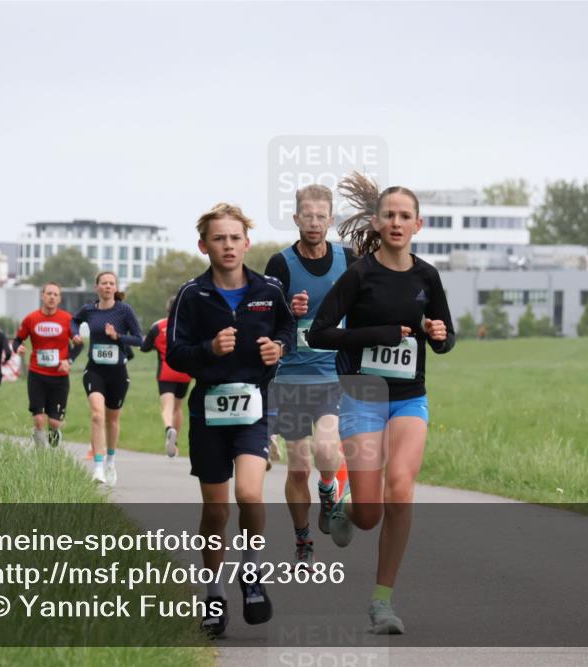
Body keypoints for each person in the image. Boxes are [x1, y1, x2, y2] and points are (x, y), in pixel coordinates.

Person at [307, 172, 455, 635]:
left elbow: (447, 337)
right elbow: (319, 333)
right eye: (389, 215)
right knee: (369, 513)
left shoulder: (427, 276)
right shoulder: (360, 273)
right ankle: (343, 508)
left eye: (404, 216)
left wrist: (439, 334)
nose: (396, 222)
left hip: (409, 398)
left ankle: (382, 601)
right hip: (363, 394)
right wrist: (380, 335)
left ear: (418, 225)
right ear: (377, 221)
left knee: (402, 488)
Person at [167, 202, 295, 637]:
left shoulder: (269, 290)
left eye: (234, 237)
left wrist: (278, 348)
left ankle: (252, 574)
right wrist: (209, 350)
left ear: (247, 243)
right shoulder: (192, 295)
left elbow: (288, 331)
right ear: (204, 245)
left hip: (253, 410)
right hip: (208, 412)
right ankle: (215, 592)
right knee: (216, 511)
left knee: (250, 494)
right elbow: (175, 354)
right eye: (218, 238)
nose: (227, 245)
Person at [263, 183, 355, 569]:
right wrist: (288, 308)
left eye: (321, 216)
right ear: (296, 218)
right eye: (307, 215)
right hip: (291, 378)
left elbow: (364, 307)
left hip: (333, 375)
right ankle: (303, 540)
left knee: (326, 451)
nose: (314, 223)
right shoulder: (280, 264)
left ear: (330, 220)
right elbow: (264, 319)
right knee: (298, 465)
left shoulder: (348, 260)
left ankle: (329, 488)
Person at [72, 272, 144, 485]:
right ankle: (98, 467)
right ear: (97, 287)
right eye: (104, 283)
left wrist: (117, 336)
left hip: (117, 372)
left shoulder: (124, 310)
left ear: (115, 287)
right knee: (96, 415)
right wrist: (75, 333)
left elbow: (139, 340)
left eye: (111, 283)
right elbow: (74, 321)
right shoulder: (89, 310)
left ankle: (111, 461)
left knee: (112, 419)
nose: (107, 286)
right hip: (95, 370)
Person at [13, 282, 82, 448]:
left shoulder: (67, 319)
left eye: (55, 295)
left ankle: (54, 435)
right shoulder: (31, 319)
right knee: (38, 418)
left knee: (54, 422)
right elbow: (17, 340)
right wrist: (18, 347)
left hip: (59, 377)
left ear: (59, 299)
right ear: (42, 296)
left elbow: (79, 345)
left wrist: (68, 360)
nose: (52, 297)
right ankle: (40, 454)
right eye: (49, 293)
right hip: (37, 374)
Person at [140, 295, 192, 457]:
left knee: (167, 407)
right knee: (178, 407)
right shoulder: (190, 326)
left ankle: (169, 428)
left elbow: (144, 347)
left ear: (167, 309)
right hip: (185, 372)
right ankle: (174, 444)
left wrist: (156, 346)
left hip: (166, 372)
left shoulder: (158, 326)